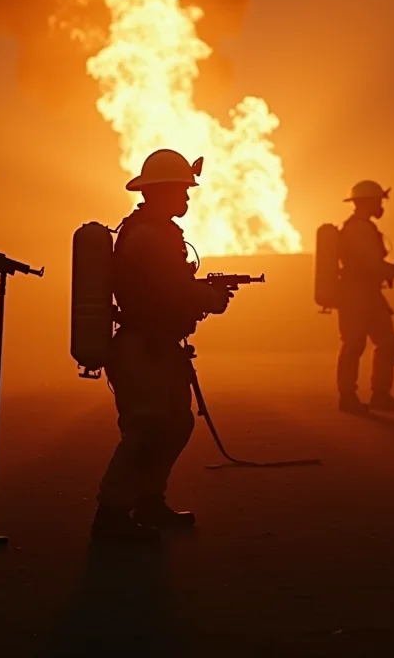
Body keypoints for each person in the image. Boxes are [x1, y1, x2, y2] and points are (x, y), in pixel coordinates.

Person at [92, 149, 232, 544]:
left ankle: (149, 500)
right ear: (163, 191)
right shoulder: (151, 236)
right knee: (146, 430)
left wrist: (201, 295)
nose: (187, 198)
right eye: (183, 191)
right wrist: (208, 298)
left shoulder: (154, 231)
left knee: (175, 425)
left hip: (155, 346)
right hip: (145, 348)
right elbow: (167, 289)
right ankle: (112, 513)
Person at [335, 180, 394, 415]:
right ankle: (348, 398)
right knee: (354, 344)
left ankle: (381, 395)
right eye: (378, 201)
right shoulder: (358, 229)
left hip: (368, 293)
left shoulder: (364, 227)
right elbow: (370, 265)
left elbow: (372, 264)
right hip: (356, 294)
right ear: (367, 202)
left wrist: (393, 270)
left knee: (388, 342)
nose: (381, 205)